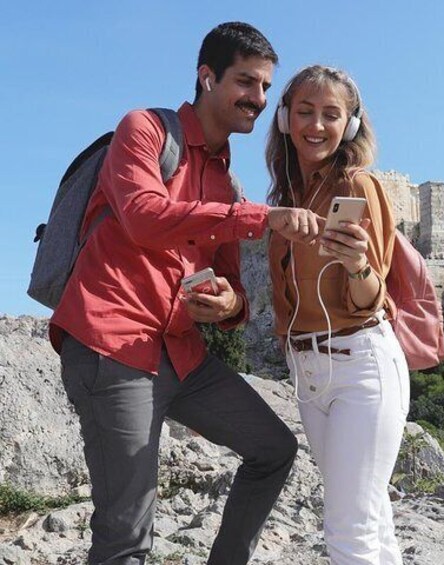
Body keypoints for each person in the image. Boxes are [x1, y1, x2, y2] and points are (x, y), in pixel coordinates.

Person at [51, 22, 323, 564]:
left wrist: (229, 306)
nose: (259, 99)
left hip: (182, 355)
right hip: (113, 347)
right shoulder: (145, 130)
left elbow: (236, 294)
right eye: (247, 82)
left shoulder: (227, 182)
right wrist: (262, 217)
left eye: (266, 87)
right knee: (127, 538)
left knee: (273, 450)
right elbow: (144, 218)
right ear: (207, 77)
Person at [266, 65, 410, 564]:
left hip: (361, 365)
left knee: (346, 532)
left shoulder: (358, 185)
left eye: (332, 114)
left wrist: (357, 265)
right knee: (369, 523)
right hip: (308, 373)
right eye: (305, 111)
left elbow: (372, 298)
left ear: (350, 124)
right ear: (284, 118)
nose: (317, 125)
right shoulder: (285, 196)